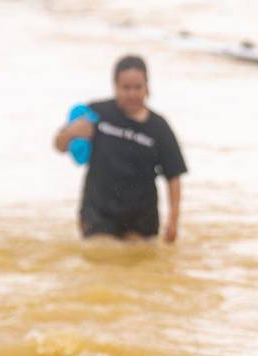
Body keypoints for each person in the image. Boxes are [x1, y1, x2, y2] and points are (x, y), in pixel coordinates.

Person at [53, 55, 187, 242]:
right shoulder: (96, 113)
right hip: (98, 213)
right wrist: (69, 133)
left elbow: (174, 176)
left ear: (147, 86)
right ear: (115, 86)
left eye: (137, 87)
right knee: (100, 255)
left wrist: (173, 221)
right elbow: (59, 146)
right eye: (125, 88)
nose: (132, 94)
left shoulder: (159, 127)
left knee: (139, 259)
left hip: (141, 218)